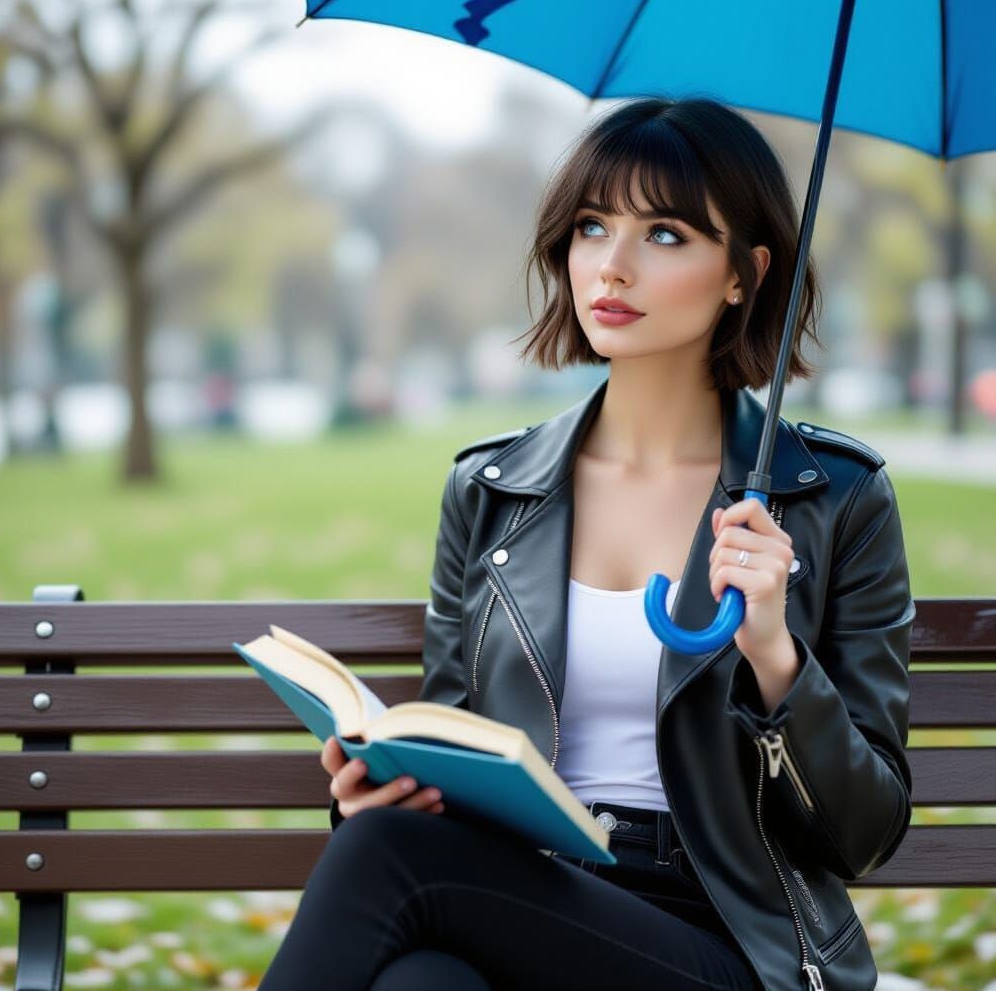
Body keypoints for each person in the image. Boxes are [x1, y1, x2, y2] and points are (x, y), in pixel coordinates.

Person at [258, 96, 915, 991]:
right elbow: (456, 744)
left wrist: (775, 655)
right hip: (530, 893)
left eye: (667, 235)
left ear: (744, 275)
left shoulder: (835, 500)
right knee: (419, 981)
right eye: (593, 226)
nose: (613, 265)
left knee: (391, 861)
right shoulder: (493, 492)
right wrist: (385, 790)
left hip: (730, 941)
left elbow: (865, 834)